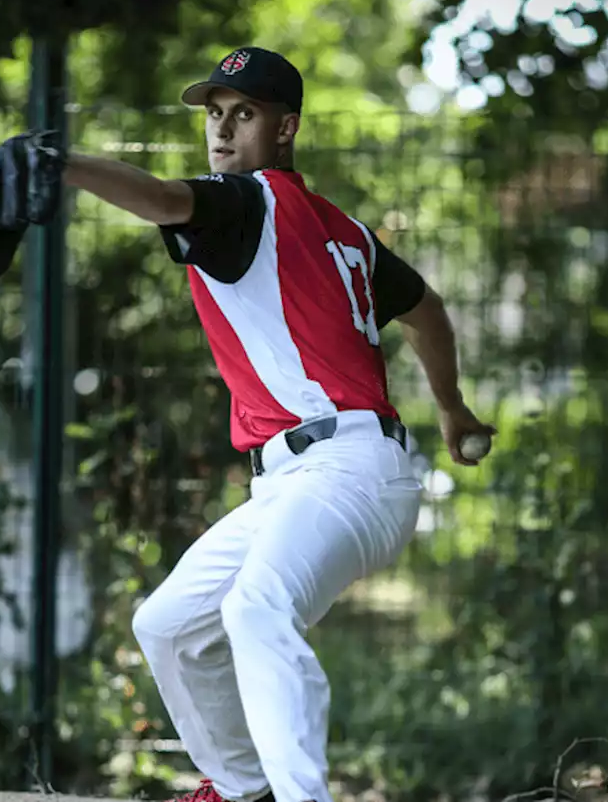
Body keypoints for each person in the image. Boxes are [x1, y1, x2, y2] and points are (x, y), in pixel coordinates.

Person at [58, 47, 494, 802]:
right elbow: (427, 313)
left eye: (245, 113)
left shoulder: (247, 201)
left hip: (347, 471)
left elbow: (163, 199)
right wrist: (451, 407)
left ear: (285, 128)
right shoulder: (344, 231)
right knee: (166, 624)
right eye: (214, 114)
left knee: (256, 604)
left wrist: (57, 162)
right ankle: (240, 787)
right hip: (304, 478)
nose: (222, 130)